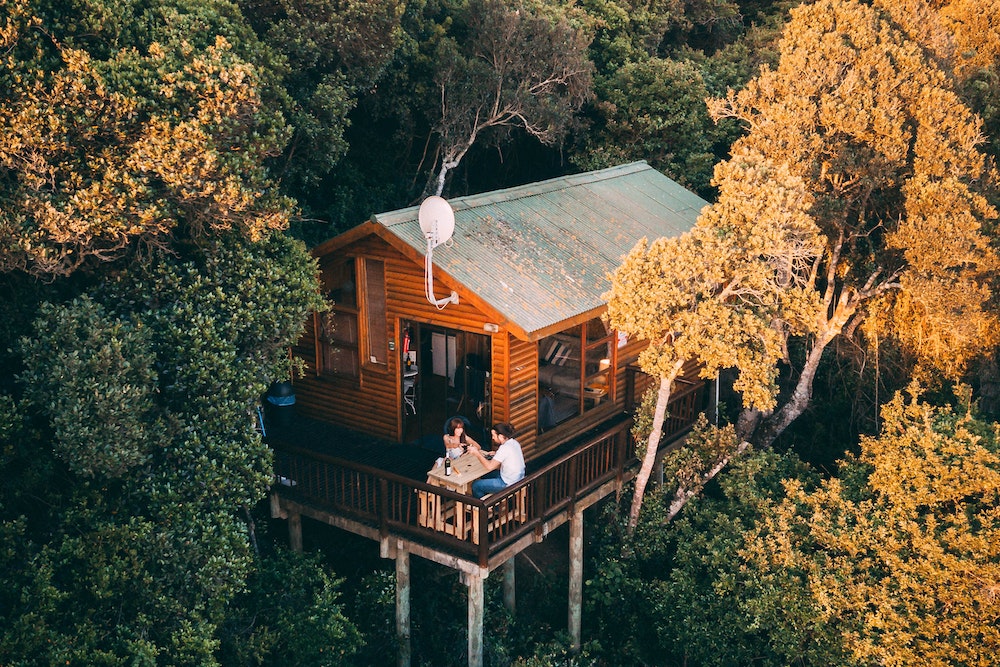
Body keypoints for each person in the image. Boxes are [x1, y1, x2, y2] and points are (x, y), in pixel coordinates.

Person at [469, 422, 525, 498]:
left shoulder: (504, 448)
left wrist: (477, 454)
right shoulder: (514, 442)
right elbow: (509, 455)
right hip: (518, 478)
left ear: (501, 436)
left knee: (476, 485)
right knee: (485, 475)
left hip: (508, 483)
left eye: (493, 435)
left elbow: (489, 466)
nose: (492, 438)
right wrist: (496, 454)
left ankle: (486, 507)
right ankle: (491, 502)